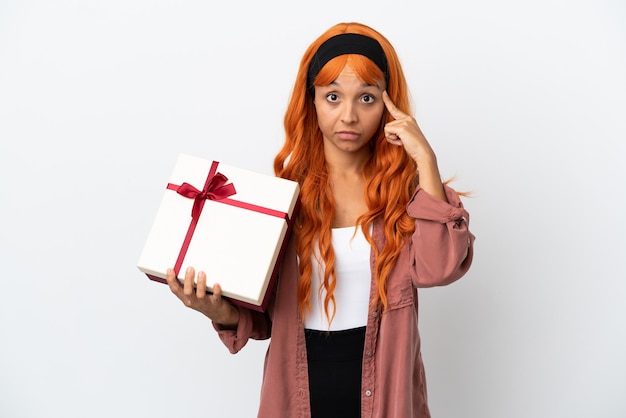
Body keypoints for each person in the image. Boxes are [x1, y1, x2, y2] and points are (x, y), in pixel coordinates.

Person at [165, 21, 475, 418]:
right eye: (332, 97)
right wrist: (216, 310)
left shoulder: (407, 196)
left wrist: (426, 160)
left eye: (366, 98)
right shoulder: (281, 200)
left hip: (384, 394)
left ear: (388, 105)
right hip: (298, 391)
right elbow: (263, 322)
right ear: (310, 100)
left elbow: (440, 269)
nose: (348, 115)